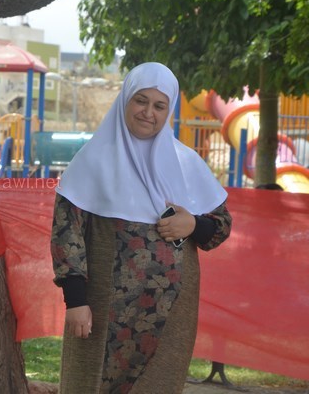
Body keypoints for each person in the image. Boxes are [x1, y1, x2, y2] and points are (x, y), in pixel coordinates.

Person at [50, 62, 233, 393]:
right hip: (101, 312)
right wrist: (74, 301)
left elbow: (220, 228)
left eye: (159, 105)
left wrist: (192, 224)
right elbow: (67, 234)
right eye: (141, 100)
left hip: (169, 313)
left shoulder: (187, 163)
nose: (148, 112)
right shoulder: (93, 160)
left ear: (169, 110)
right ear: (125, 101)